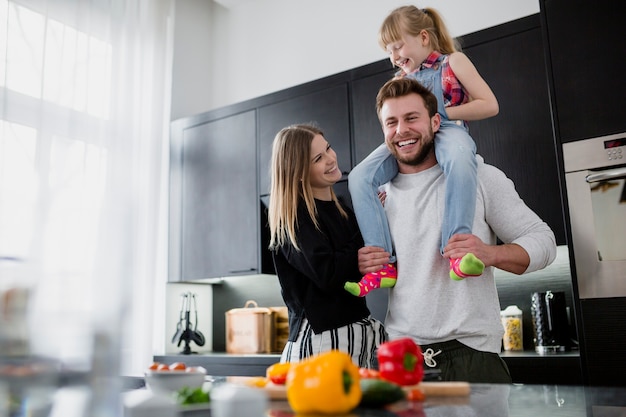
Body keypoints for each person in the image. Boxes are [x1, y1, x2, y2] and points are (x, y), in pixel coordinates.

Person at [358, 77, 557, 383]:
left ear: (436, 122)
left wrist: (489, 253)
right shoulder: (379, 196)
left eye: (412, 118)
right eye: (391, 122)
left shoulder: (481, 178)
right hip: (400, 357)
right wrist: (366, 262)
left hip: (472, 355)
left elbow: (544, 241)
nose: (401, 131)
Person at [345, 5, 499, 297]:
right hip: (409, 139)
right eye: (389, 51)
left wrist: (439, 113)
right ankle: (384, 265)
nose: (394, 56)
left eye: (398, 46)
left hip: (449, 129)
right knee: (359, 176)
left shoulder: (454, 62)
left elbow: (489, 105)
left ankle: (457, 251)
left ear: (424, 37)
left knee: (459, 158)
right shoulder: (398, 82)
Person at [267, 123, 387, 367]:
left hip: (353, 336)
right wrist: (366, 229)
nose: (331, 159)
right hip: (320, 343)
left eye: (328, 148)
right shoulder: (292, 219)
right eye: (319, 158)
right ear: (299, 172)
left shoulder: (342, 209)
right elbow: (328, 274)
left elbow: (355, 263)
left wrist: (374, 216)